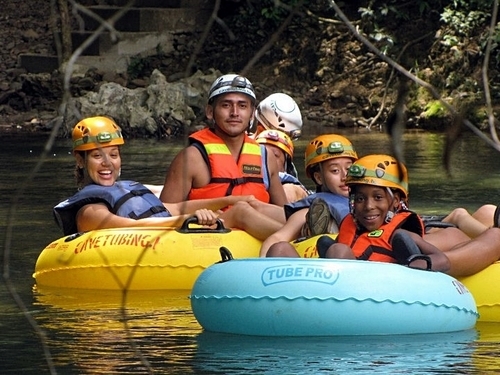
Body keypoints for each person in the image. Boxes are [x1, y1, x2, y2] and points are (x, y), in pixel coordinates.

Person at [53, 116, 251, 236]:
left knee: (243, 207)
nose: (108, 163)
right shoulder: (89, 212)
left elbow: (168, 208)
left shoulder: (126, 188)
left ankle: (281, 231)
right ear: (80, 160)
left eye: (114, 155)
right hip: (141, 247)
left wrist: (228, 199)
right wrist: (187, 219)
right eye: (97, 156)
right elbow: (135, 225)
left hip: (166, 235)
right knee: (240, 214)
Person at [159, 73, 288, 208]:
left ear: (251, 114)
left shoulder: (266, 157)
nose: (234, 113)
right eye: (226, 105)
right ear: (210, 112)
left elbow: (285, 214)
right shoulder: (190, 159)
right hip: (209, 227)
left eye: (242, 106)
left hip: (258, 227)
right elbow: (163, 214)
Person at [315, 154, 451, 273]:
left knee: (340, 251)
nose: (368, 206)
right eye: (360, 199)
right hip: (349, 285)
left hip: (386, 288)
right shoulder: (349, 225)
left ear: (396, 201)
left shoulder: (400, 232)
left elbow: (442, 260)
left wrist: (408, 269)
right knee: (329, 244)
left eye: (378, 197)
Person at [261, 134, 358, 257]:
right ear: (318, 178)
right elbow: (277, 238)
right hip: (324, 259)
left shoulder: (367, 203)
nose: (345, 177)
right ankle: (308, 231)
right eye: (335, 171)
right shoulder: (311, 209)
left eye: (349, 169)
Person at [255, 129, 310, 203]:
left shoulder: (290, 189)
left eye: (275, 155)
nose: (267, 159)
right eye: (263, 154)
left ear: (286, 164)